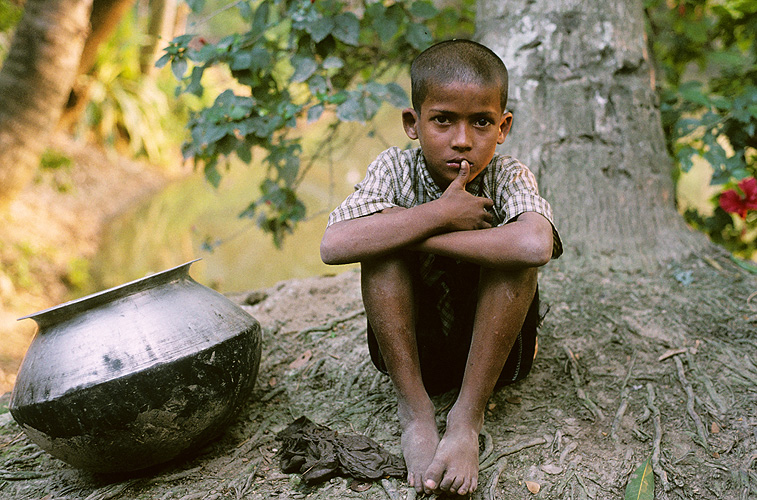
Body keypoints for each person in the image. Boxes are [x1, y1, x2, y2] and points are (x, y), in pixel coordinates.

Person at [320, 39, 562, 496]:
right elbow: (334, 244)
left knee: (512, 258)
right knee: (381, 248)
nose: (463, 140)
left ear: (503, 126)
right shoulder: (394, 168)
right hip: (418, 357)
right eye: (443, 120)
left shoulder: (507, 174)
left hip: (497, 357)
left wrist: (418, 231)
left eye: (482, 122)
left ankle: (466, 419)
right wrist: (439, 214)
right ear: (413, 123)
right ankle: (415, 413)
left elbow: (535, 244)